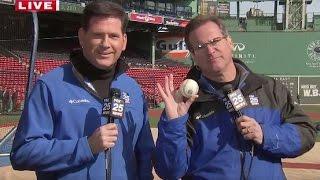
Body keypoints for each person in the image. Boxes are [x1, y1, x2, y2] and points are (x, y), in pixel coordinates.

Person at [155, 15, 316, 179]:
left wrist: (265, 134)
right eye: (201, 46)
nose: (210, 50)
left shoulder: (268, 88)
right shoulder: (184, 105)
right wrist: (174, 124)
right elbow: (169, 171)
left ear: (230, 42)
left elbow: (306, 133)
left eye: (215, 41)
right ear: (194, 56)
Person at [10, 1, 154, 180]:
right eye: (98, 35)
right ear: (82, 37)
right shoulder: (50, 86)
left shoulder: (132, 89)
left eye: (114, 36)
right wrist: (86, 147)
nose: (105, 44)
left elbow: (144, 154)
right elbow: (23, 153)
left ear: (124, 41)